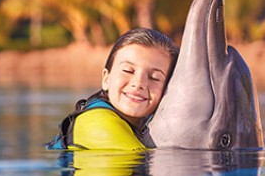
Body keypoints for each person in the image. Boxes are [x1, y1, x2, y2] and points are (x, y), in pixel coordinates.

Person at [48, 27, 179, 151]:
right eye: (128, 70)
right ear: (106, 79)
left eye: (154, 77)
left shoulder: (144, 124)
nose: (139, 83)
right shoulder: (98, 123)